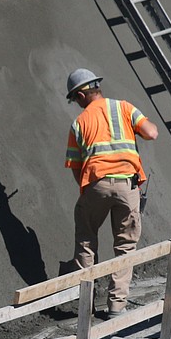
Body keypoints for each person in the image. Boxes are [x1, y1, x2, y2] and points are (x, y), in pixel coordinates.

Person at [64, 68, 159, 317]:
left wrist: (88, 192)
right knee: (125, 245)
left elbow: (75, 166)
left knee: (86, 240)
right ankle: (117, 306)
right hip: (128, 185)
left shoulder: (79, 123)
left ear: (82, 95)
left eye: (75, 99)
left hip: (96, 184)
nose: (76, 104)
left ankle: (86, 305)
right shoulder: (125, 108)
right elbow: (152, 133)